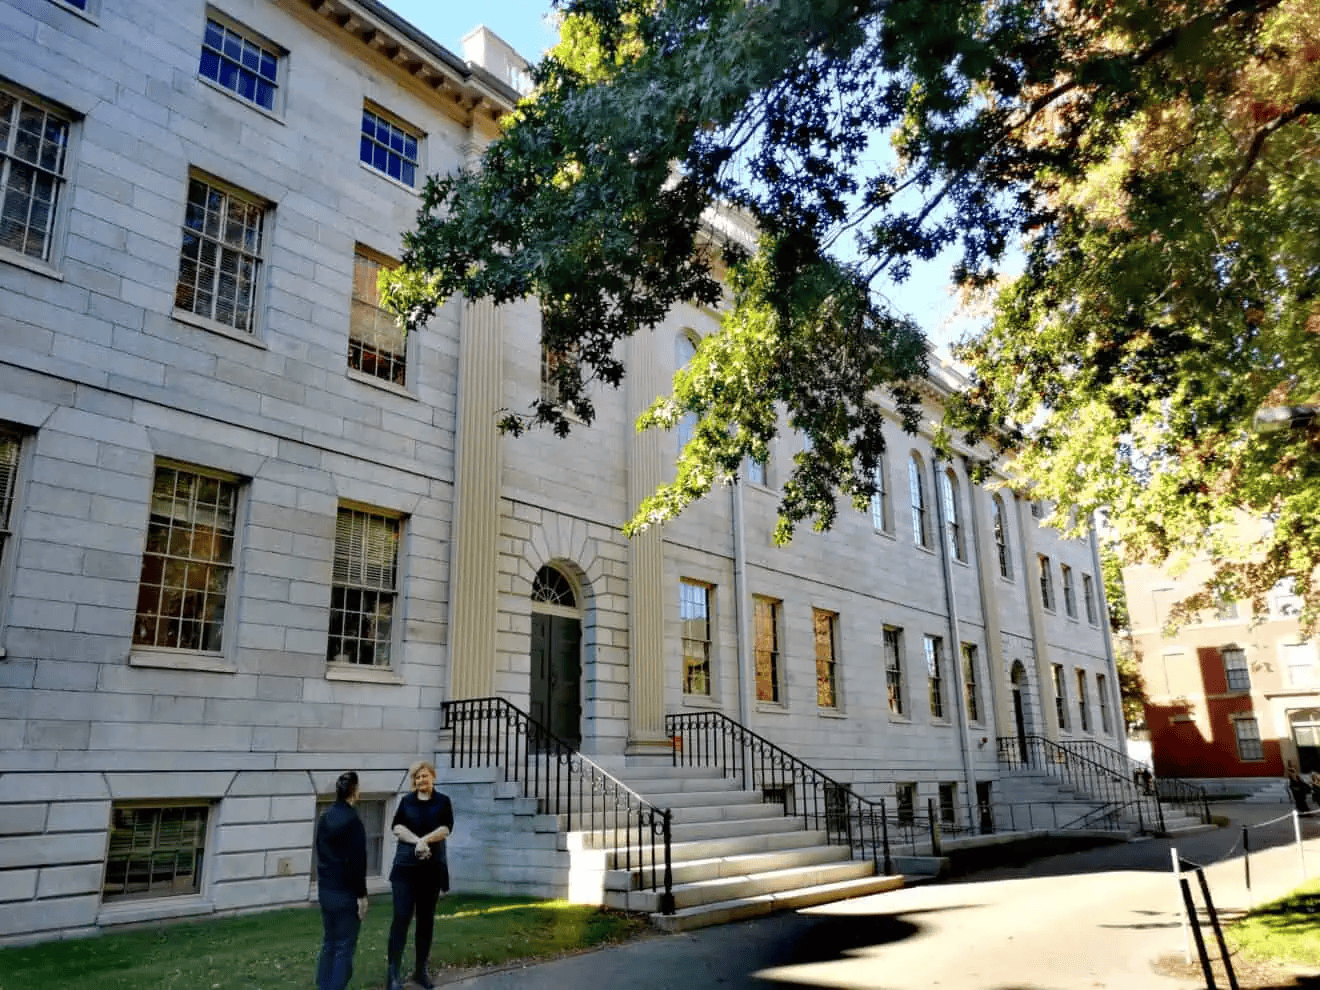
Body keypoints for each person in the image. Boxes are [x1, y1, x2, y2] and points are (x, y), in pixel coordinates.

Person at [386, 760, 454, 990]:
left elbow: (445, 829)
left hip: (431, 871)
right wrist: (417, 842)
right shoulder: (406, 802)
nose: (421, 781)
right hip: (405, 871)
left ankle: (420, 971)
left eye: (424, 776)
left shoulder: (443, 801)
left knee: (425, 922)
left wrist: (426, 841)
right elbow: (397, 828)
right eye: (416, 778)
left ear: (432, 776)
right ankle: (393, 974)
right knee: (401, 919)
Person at [314, 771, 369, 990]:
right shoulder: (353, 821)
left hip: (326, 889)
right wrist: (362, 896)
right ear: (354, 791)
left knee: (329, 942)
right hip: (346, 893)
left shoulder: (325, 818)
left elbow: (321, 852)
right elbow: (358, 862)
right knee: (344, 946)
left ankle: (324, 986)